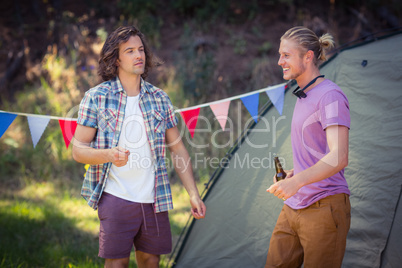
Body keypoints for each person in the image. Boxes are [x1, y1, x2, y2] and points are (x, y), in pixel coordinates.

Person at [72, 25, 206, 268]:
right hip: (116, 196)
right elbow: (77, 150)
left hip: (153, 198)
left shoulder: (159, 98)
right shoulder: (97, 97)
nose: (139, 56)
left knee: (150, 262)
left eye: (141, 50)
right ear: (115, 59)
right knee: (117, 264)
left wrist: (194, 194)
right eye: (130, 51)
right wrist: (108, 155)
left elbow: (177, 149)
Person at [266, 26, 351, 268]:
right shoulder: (304, 95)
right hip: (293, 207)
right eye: (280, 54)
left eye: (286, 55)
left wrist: (296, 182)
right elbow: (318, 153)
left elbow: (339, 156)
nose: (280, 61)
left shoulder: (330, 96)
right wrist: (295, 174)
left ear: (308, 56)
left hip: (324, 207)